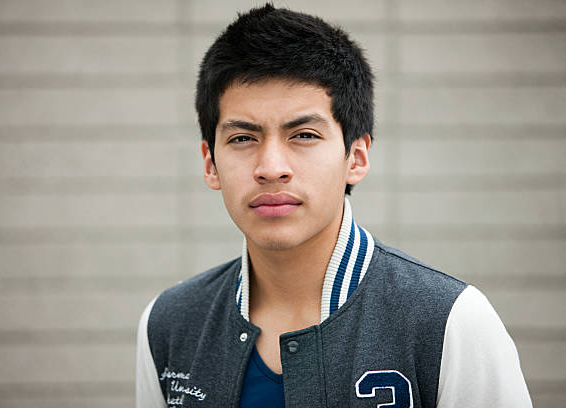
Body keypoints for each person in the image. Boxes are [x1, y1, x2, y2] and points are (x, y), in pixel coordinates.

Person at [136, 4, 532, 407]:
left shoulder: (451, 320)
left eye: (304, 135)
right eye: (242, 139)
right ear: (210, 163)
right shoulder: (169, 322)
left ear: (356, 158)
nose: (271, 168)